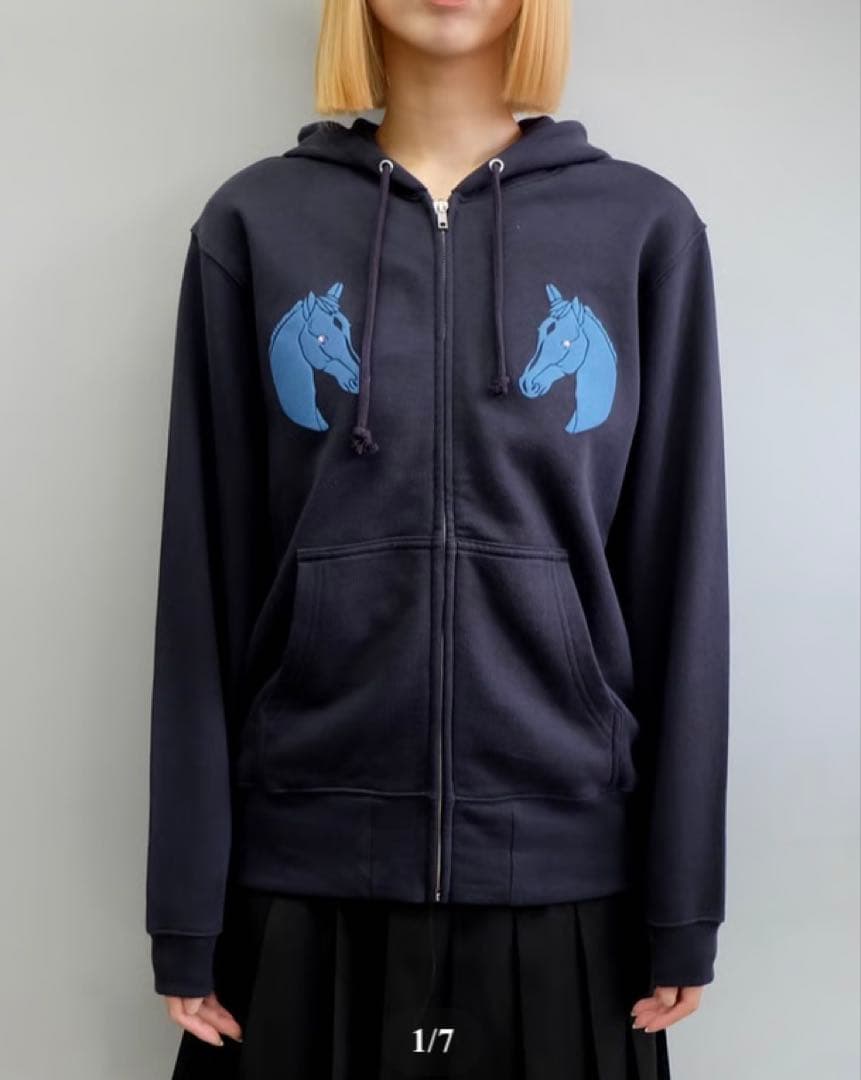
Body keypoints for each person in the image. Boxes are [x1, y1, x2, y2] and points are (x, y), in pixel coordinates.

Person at [145, 0, 730, 1076]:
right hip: (303, 891)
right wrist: (186, 908)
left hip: (565, 897)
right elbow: (204, 580)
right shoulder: (257, 223)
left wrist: (683, 903)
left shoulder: (641, 228)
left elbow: (680, 575)